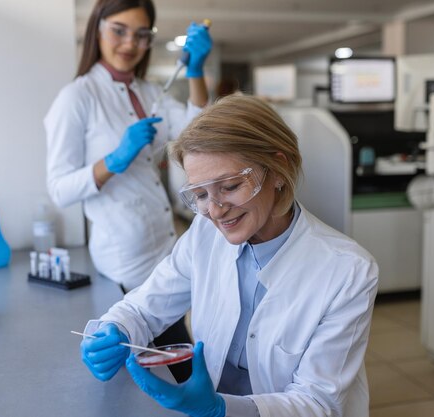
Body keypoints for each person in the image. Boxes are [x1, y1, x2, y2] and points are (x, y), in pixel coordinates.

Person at [80, 95, 379, 417]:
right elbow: (144, 307)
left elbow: (318, 402)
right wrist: (114, 329)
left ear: (279, 169)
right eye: (200, 194)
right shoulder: (203, 235)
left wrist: (221, 409)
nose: (215, 210)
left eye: (231, 186)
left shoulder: (349, 270)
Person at [44, 0, 212, 380]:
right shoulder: (77, 97)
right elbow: (59, 189)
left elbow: (197, 134)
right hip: (123, 266)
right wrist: (114, 160)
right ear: (98, 30)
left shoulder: (149, 90)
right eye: (119, 30)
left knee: (180, 365)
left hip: (166, 252)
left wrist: (196, 72)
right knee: (168, 371)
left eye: (141, 34)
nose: (129, 43)